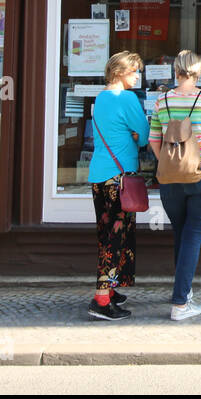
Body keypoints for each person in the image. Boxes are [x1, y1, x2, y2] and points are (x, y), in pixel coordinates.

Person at [150, 50, 201, 321]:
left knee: (181, 233)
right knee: (193, 234)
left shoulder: (162, 100)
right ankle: (180, 303)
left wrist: (168, 162)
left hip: (171, 177)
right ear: (199, 72)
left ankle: (183, 290)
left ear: (176, 71)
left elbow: (153, 140)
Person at [87, 51, 149, 321]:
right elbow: (145, 134)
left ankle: (110, 290)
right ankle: (101, 298)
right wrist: (133, 135)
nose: (138, 76)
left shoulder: (100, 98)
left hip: (99, 175)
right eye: (135, 71)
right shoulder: (127, 98)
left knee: (106, 235)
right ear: (121, 72)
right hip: (120, 177)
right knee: (116, 237)